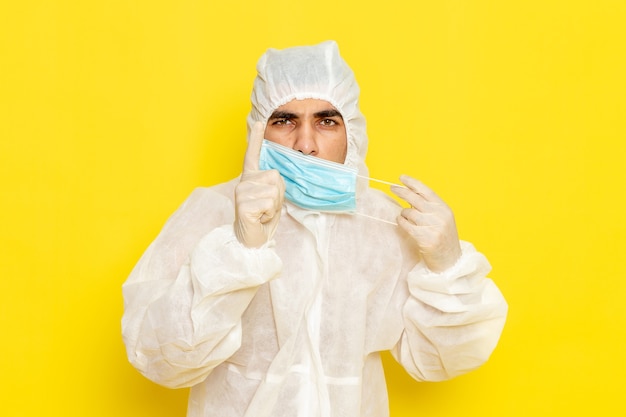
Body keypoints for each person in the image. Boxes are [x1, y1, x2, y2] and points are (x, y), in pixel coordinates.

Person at [122, 40, 508, 417]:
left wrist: (447, 266)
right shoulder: (211, 212)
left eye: (326, 121)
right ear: (259, 133)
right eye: (284, 120)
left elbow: (446, 358)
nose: (305, 144)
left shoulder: (389, 227)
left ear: (351, 133)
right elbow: (160, 360)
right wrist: (238, 251)